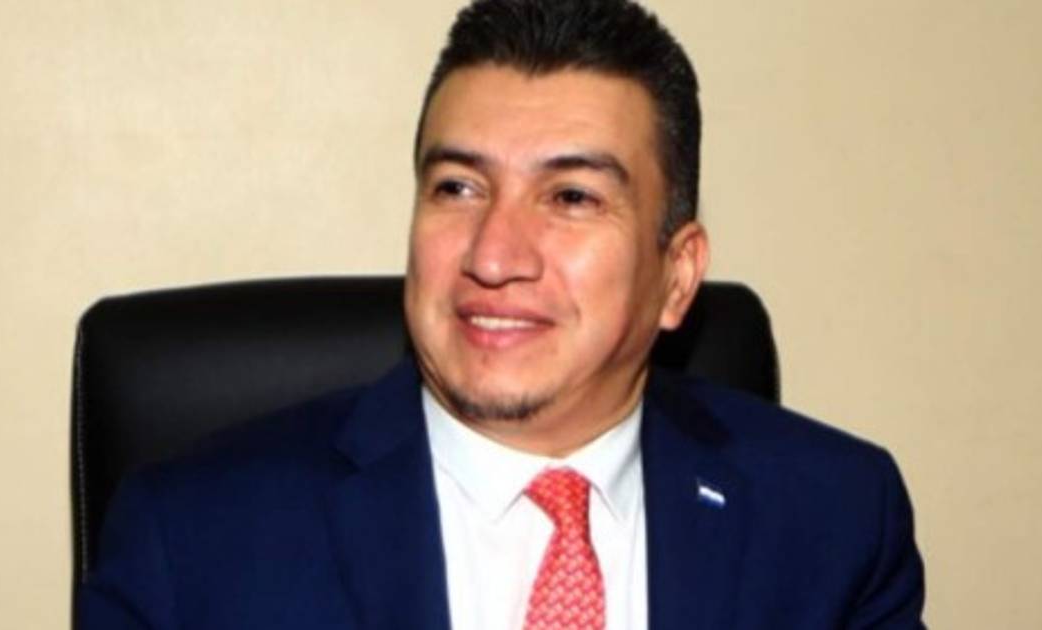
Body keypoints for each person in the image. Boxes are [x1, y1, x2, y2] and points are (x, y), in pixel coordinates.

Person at [80, 0, 926, 628]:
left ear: (677, 277)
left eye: (571, 196)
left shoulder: (835, 521)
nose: (493, 255)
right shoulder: (192, 544)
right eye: (458, 187)